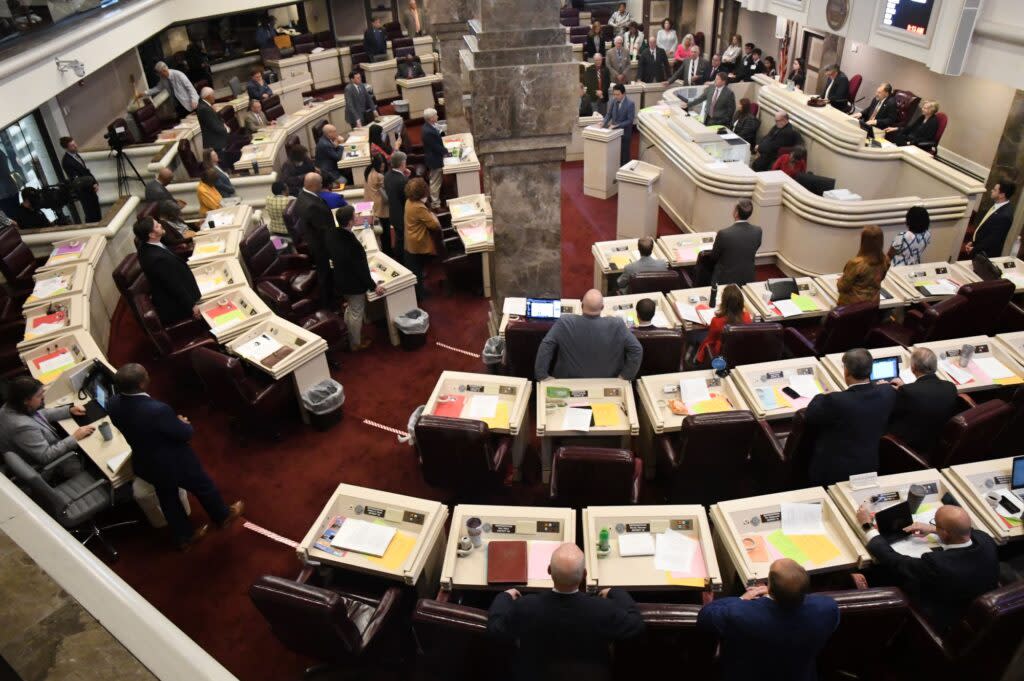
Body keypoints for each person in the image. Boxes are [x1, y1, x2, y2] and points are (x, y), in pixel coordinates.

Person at [106, 363, 244, 551]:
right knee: (203, 485)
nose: (149, 376)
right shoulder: (157, 410)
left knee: (168, 499)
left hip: (145, 462)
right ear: (141, 384)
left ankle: (184, 537)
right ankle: (223, 516)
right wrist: (182, 422)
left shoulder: (112, 403)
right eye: (146, 374)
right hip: (174, 461)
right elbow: (185, 433)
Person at [488, 543, 643, 681]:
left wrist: (504, 596)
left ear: (549, 570)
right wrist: (616, 592)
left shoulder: (526, 607)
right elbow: (636, 625)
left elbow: (496, 628)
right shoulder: (604, 609)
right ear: (584, 575)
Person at [856, 503, 998, 633]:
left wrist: (867, 526)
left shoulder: (938, 564)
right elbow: (965, 532)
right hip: (977, 603)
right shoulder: (986, 540)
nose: (934, 527)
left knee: (886, 574)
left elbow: (896, 561)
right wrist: (933, 530)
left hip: (945, 616)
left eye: (936, 525)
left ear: (946, 533)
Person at [697, 559, 839, 681]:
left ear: (769, 587)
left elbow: (706, 616)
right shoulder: (828, 608)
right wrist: (785, 592)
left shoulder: (740, 614)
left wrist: (742, 599)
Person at [806, 348, 897, 486]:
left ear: (846, 371)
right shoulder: (888, 392)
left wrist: (821, 396)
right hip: (868, 466)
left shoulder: (836, 401)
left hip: (833, 471)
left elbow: (810, 415)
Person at [535, 289, 644, 380]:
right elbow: (636, 349)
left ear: (582, 305)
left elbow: (546, 345)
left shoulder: (564, 322)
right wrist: (625, 376)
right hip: (607, 382)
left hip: (568, 383)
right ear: (602, 308)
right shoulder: (617, 324)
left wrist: (542, 376)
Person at [0, 376, 90, 480]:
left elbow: (38, 415)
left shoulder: (9, 406)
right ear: (26, 401)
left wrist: (68, 411)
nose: (43, 397)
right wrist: (74, 437)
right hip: (48, 465)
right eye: (39, 395)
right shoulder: (21, 427)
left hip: (43, 446)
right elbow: (45, 456)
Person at [325, 205, 386, 351]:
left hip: (340, 280)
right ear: (351, 222)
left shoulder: (332, 234)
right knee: (356, 313)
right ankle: (355, 343)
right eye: (355, 216)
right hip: (352, 285)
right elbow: (361, 270)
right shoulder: (352, 244)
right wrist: (374, 286)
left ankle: (350, 335)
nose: (357, 217)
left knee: (351, 309)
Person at [884, 348, 959, 454]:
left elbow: (891, 414)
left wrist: (884, 389)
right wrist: (904, 388)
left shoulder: (907, 391)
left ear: (913, 368)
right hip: (937, 439)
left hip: (909, 445)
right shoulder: (950, 387)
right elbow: (926, 395)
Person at [133, 216, 201, 324]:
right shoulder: (156, 258)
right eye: (157, 225)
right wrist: (192, 305)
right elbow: (173, 285)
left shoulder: (147, 246)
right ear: (151, 234)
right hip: (177, 305)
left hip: (181, 288)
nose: (160, 224)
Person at [296, 173, 336, 305]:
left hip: (313, 238)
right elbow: (323, 230)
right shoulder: (311, 205)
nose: (322, 185)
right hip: (320, 246)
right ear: (313, 185)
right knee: (324, 275)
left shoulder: (303, 195)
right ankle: (328, 304)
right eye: (320, 183)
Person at [706, 199, 762, 285]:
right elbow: (755, 248)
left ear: (736, 213)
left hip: (725, 280)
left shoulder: (723, 234)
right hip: (748, 278)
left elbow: (714, 257)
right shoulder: (758, 231)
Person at [695, 284, 751, 364]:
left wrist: (699, 357)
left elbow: (709, 342)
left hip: (720, 356)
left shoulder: (716, 321)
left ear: (724, 302)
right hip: (738, 354)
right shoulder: (747, 317)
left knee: (696, 337)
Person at [837, 226, 890, 306]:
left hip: (851, 308)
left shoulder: (855, 264)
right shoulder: (886, 260)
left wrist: (839, 280)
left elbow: (842, 287)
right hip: (872, 305)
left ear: (863, 241)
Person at [404, 177, 440, 296]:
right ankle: (420, 294)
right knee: (417, 269)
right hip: (418, 241)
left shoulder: (409, 201)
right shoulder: (419, 207)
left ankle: (419, 291)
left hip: (410, 240)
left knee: (416, 268)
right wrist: (433, 215)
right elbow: (434, 225)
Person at [966, 180, 1015, 257]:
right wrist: (973, 242)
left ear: (1002, 195)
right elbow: (985, 228)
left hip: (984, 255)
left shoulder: (1005, 216)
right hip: (978, 248)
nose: (991, 190)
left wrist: (975, 249)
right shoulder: (997, 205)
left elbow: (992, 240)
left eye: (995, 190)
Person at [59, 136, 101, 222]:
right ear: (66, 148)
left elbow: (85, 170)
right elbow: (78, 180)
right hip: (84, 191)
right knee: (91, 215)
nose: (75, 146)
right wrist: (91, 182)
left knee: (97, 212)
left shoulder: (76, 155)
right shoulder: (67, 161)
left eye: (75, 144)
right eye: (72, 145)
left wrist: (95, 182)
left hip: (90, 188)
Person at [363, 154, 391, 256]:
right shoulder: (380, 176)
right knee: (385, 234)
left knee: (378, 234)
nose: (383, 168)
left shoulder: (368, 172)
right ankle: (388, 253)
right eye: (381, 166)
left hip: (370, 205)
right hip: (381, 208)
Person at [384, 151, 409, 259]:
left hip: (393, 213)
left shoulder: (387, 175)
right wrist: (406, 178)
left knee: (399, 239)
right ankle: (403, 262)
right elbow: (407, 198)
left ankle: (398, 258)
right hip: (402, 215)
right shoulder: (402, 180)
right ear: (402, 163)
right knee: (404, 241)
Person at [603, 84, 635, 165]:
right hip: (614, 133)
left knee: (624, 155)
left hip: (625, 133)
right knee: (615, 153)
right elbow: (609, 114)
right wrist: (603, 122)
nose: (616, 96)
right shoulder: (614, 101)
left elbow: (630, 120)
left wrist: (618, 125)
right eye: (614, 94)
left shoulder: (630, 104)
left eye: (618, 94)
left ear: (624, 94)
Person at [422, 108, 447, 208]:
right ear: (431, 118)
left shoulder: (429, 126)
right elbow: (436, 147)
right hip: (434, 159)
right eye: (436, 115)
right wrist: (447, 152)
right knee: (435, 182)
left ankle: (436, 201)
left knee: (436, 180)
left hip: (434, 157)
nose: (437, 117)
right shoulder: (428, 131)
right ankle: (435, 204)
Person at [196, 87, 228, 157]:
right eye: (213, 95)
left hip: (216, 141)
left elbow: (216, 118)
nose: (214, 97)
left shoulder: (206, 105)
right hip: (215, 143)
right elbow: (215, 126)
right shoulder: (204, 109)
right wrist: (226, 130)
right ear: (208, 96)